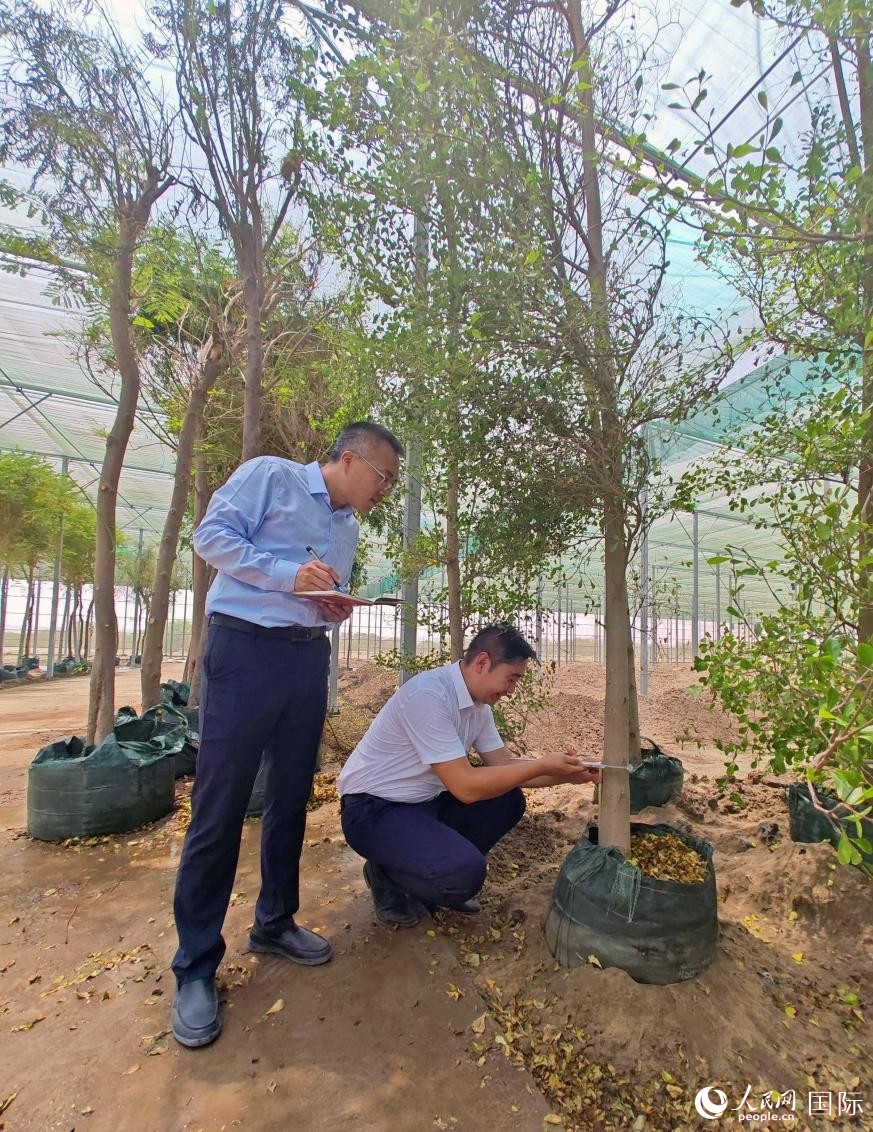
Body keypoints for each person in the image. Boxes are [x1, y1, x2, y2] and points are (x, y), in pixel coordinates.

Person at [171, 421, 403, 1049]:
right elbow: (210, 537)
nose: (386, 490)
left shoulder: (348, 528)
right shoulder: (271, 477)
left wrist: (331, 604)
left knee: (291, 799)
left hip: (306, 659)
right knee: (220, 808)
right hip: (244, 651)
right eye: (383, 476)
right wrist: (286, 574)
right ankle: (195, 965)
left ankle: (274, 921)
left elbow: (316, 594)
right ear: (349, 458)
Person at [338, 624, 600, 927]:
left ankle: (426, 870)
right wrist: (542, 765)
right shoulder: (429, 696)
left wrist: (570, 774)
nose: (511, 690)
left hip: (424, 803)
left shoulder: (478, 707)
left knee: (508, 800)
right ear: (482, 663)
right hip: (372, 810)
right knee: (464, 876)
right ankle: (385, 875)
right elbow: (464, 787)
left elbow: (504, 764)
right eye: (511, 678)